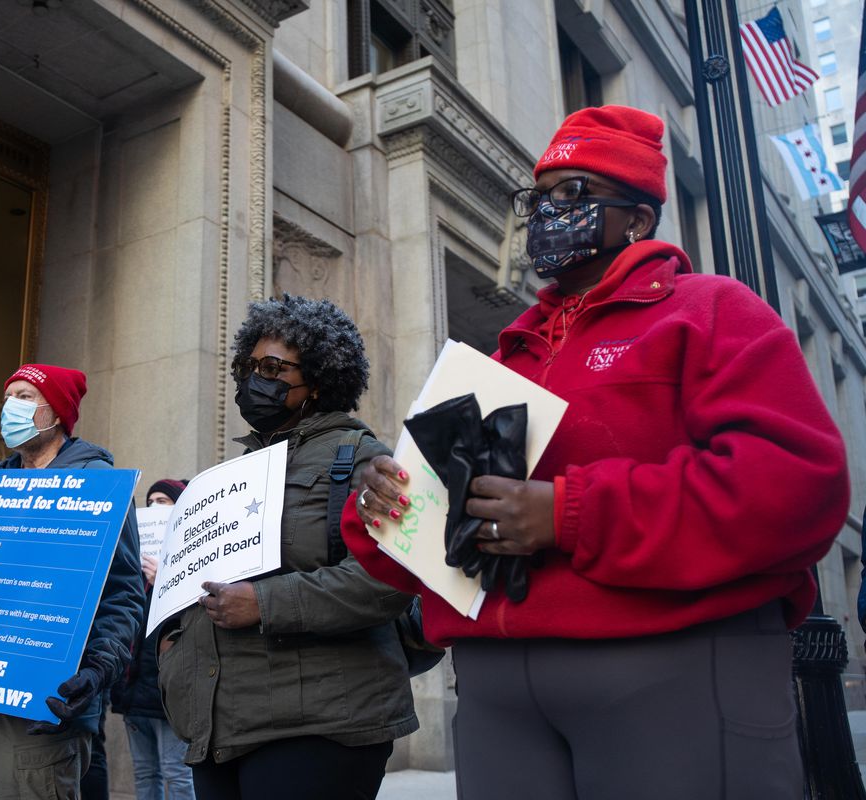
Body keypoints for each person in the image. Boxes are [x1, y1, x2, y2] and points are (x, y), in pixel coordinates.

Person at [348, 105, 851, 800]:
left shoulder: (710, 310)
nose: (548, 213)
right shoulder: (507, 352)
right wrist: (379, 500)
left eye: (574, 194)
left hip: (669, 669)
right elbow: (431, 534)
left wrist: (571, 515)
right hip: (497, 689)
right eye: (540, 197)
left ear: (637, 220)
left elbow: (798, 485)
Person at [156, 295, 416, 800]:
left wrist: (264, 604)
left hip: (320, 726)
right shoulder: (230, 475)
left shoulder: (364, 458)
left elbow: (389, 579)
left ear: (318, 381)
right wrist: (173, 639)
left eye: (273, 367)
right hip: (219, 727)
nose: (256, 379)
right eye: (250, 366)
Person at [0, 364, 143, 800]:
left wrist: (98, 669)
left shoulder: (97, 484)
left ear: (57, 413)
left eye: (25, 397)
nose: (11, 406)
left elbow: (123, 592)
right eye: (8, 396)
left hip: (41, 706)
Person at [111, 478, 195, 800]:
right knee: (146, 772)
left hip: (170, 693)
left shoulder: (191, 564)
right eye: (152, 500)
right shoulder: (136, 568)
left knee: (177, 772)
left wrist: (165, 579)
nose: (156, 505)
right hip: (135, 691)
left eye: (165, 500)